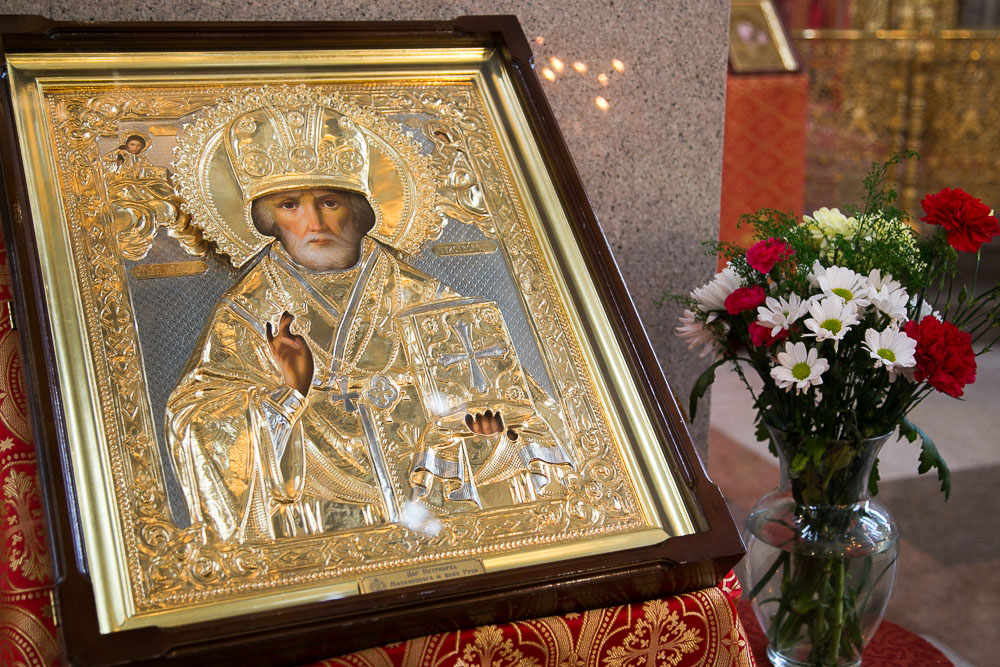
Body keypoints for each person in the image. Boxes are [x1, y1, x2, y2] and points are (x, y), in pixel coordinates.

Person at [166, 95, 575, 544]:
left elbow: (526, 407)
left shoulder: (425, 296)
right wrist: (290, 393)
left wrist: (488, 431)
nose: (313, 222)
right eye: (289, 205)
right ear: (268, 220)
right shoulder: (248, 312)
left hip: (434, 509)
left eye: (329, 203)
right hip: (320, 520)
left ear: (359, 211)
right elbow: (197, 423)